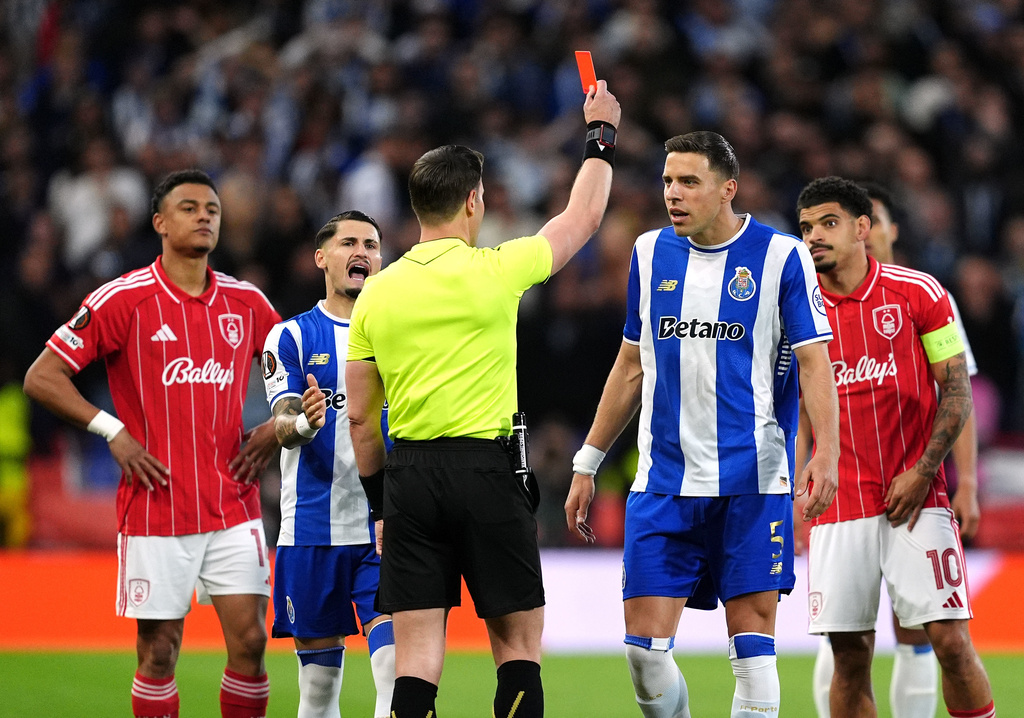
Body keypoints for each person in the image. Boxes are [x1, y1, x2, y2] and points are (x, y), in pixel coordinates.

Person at [345, 80, 621, 718]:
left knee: (416, 660)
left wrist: (381, 503)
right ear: (473, 201)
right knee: (518, 648)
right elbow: (582, 218)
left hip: (411, 477)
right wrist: (600, 136)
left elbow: (360, 419)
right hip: (488, 471)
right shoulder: (497, 268)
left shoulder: (375, 294)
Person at [564, 130, 841, 718]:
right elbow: (631, 364)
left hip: (752, 481)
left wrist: (826, 453)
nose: (673, 193)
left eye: (689, 181)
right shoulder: (648, 252)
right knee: (643, 655)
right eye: (668, 181)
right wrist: (588, 461)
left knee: (753, 656)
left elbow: (815, 361)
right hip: (663, 482)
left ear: (727, 189)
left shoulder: (782, 256)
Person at [23, 169, 280, 718]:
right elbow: (41, 377)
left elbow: (298, 377)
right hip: (156, 506)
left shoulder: (248, 303)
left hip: (233, 501)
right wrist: (111, 430)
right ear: (160, 223)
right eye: (189, 207)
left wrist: (276, 427)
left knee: (252, 642)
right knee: (159, 650)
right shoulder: (124, 299)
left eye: (212, 208)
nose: (205, 215)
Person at [795, 176, 996, 718]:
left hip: (917, 501)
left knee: (950, 642)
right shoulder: (796, 309)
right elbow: (798, 413)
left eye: (828, 223)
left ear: (863, 227)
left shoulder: (921, 293)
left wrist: (928, 472)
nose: (815, 236)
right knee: (848, 656)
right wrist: (794, 493)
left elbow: (957, 389)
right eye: (807, 227)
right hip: (837, 506)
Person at [262, 210, 395, 718]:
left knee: (395, 671)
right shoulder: (291, 337)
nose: (362, 252)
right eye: (349, 243)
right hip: (313, 529)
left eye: (372, 245)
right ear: (322, 257)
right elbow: (282, 425)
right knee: (318, 690)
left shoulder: (399, 336)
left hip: (385, 528)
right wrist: (306, 422)